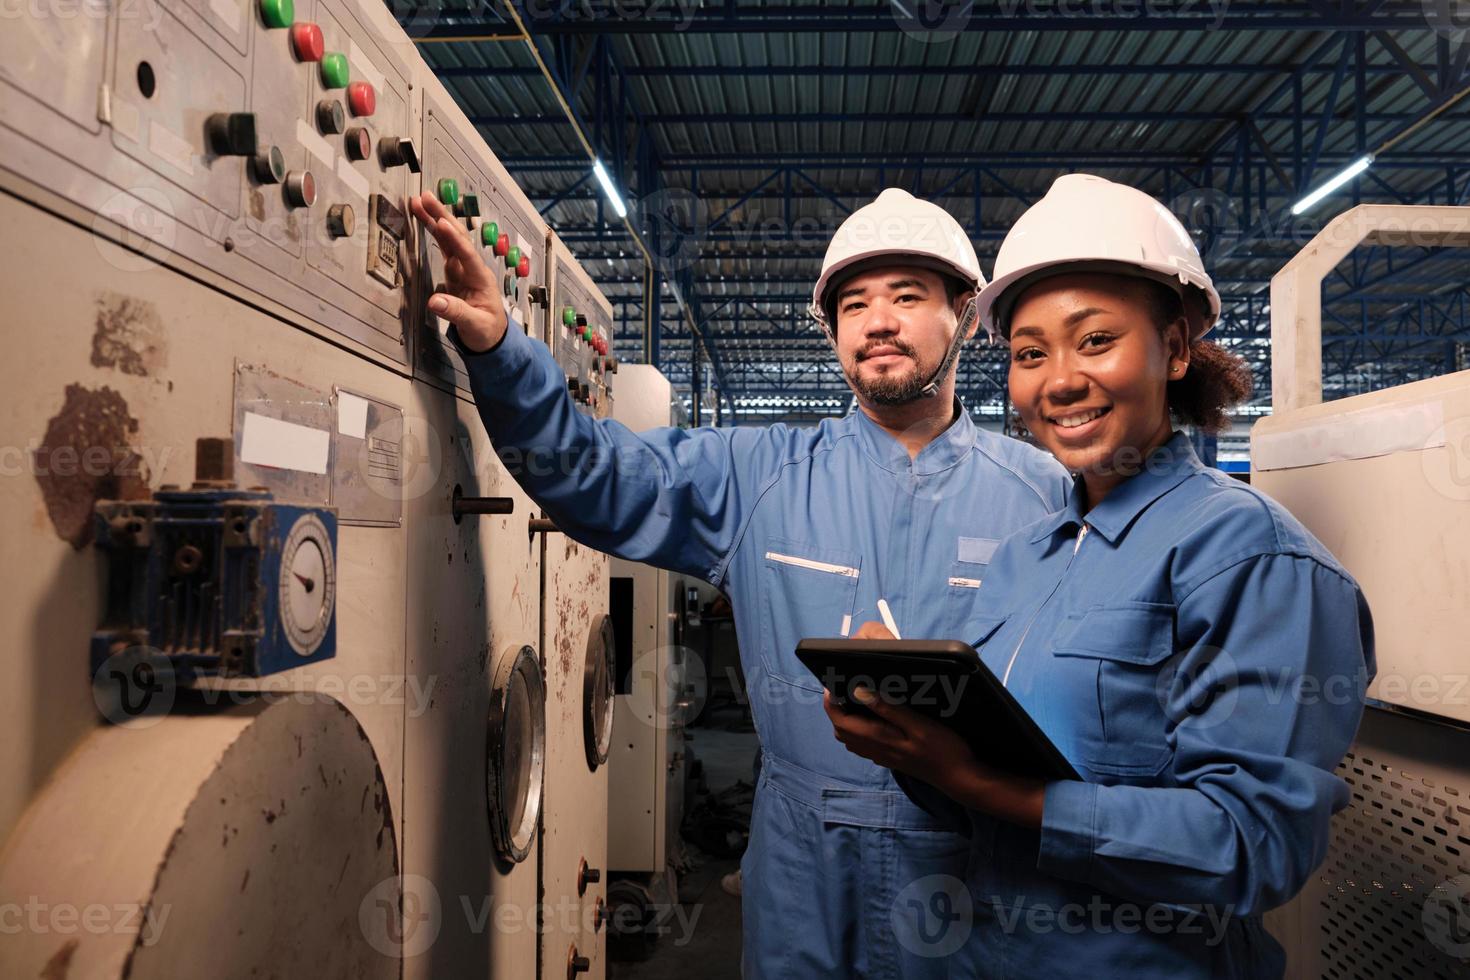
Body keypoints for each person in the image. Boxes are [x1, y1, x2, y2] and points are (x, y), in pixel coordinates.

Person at [410, 187, 1070, 978]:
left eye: (907, 296)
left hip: (977, 858)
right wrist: (500, 350)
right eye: (853, 305)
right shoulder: (759, 475)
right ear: (832, 331)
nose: (879, 322)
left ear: (963, 313)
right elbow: (590, 472)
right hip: (804, 861)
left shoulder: (1049, 494)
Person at [823, 174, 1375, 977]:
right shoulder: (1026, 557)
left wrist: (979, 782)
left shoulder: (1250, 557)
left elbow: (1254, 846)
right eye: (1028, 353)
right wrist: (912, 737)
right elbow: (985, 786)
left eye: (1095, 340)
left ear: (1177, 349)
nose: (1059, 381)